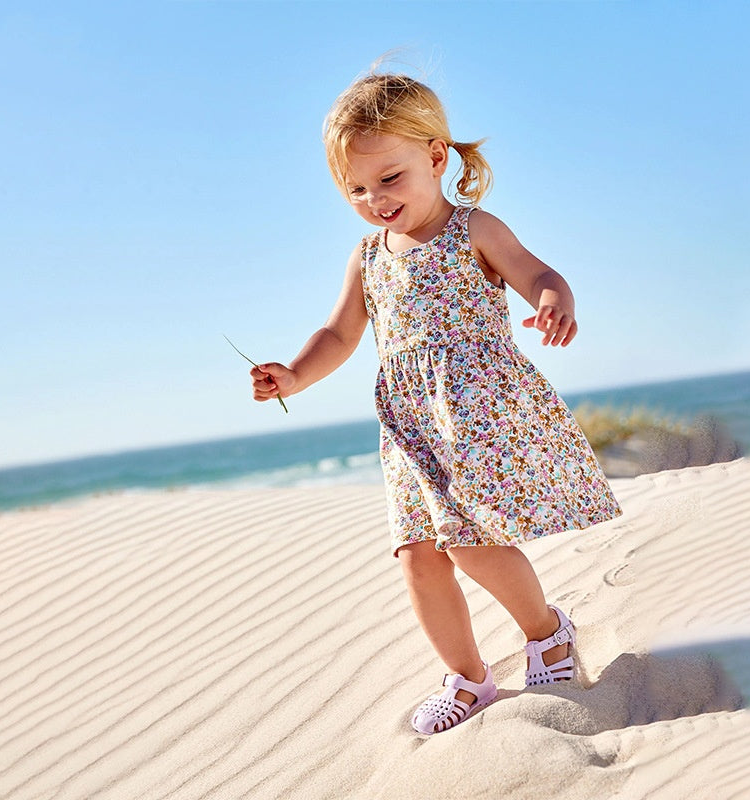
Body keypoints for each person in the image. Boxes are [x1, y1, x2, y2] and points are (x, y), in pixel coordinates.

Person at [250, 72, 622, 735]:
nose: (374, 200)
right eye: (356, 189)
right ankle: (469, 679)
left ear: (435, 155)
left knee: (471, 547)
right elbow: (339, 334)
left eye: (389, 179)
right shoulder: (367, 257)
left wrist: (551, 298)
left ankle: (547, 634)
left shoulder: (472, 229)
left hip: (473, 414)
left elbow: (536, 272)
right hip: (408, 426)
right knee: (418, 557)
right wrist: (295, 376)